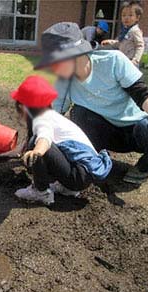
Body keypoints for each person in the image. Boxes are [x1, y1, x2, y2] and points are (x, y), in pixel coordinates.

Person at [35, 22, 148, 184]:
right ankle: (95, 157)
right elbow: (51, 116)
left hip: (138, 131)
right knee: (79, 113)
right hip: (108, 133)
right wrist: (34, 143)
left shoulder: (113, 61)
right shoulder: (64, 82)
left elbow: (142, 93)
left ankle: (147, 165)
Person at [11, 76, 112, 205]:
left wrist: (36, 151)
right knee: (34, 143)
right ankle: (67, 188)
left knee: (35, 142)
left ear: (23, 106)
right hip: (85, 174)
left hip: (78, 176)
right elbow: (24, 147)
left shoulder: (41, 119)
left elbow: (44, 138)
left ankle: (40, 191)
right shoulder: (53, 117)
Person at [102, 1, 144, 66]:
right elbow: (121, 43)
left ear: (137, 18)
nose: (126, 18)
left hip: (131, 61)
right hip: (123, 59)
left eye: (130, 15)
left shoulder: (135, 31)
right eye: (123, 15)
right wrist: (111, 42)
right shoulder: (124, 30)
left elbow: (140, 46)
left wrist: (135, 60)